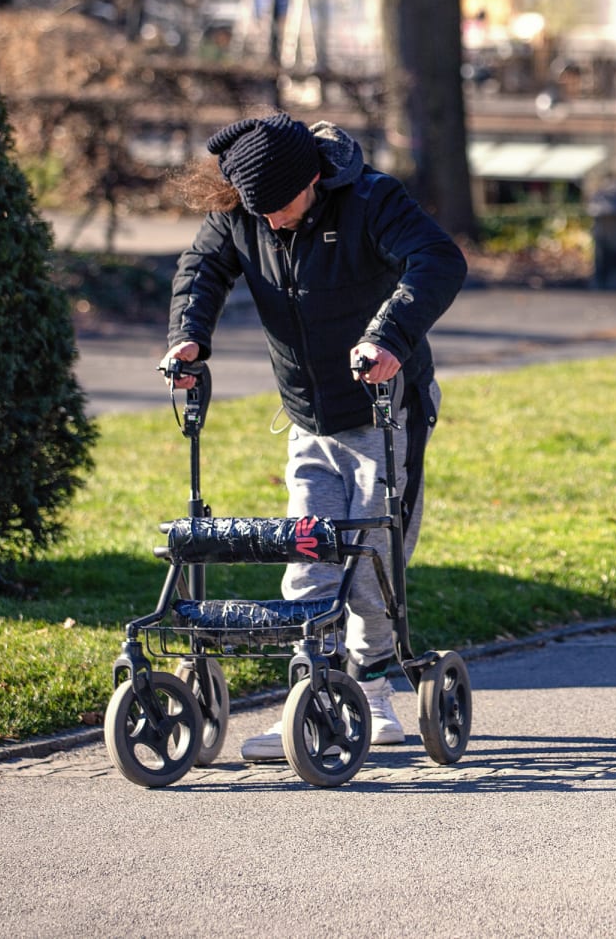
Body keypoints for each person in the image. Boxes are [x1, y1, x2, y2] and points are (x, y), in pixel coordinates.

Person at [162, 112, 468, 760]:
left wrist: (388, 335)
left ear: (313, 180)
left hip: (386, 411)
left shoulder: (370, 200)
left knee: (372, 561)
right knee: (309, 556)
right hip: (309, 419)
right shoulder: (245, 210)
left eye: (280, 206)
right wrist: (189, 335)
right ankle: (309, 695)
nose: (269, 220)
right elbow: (203, 269)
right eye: (257, 209)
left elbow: (438, 258)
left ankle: (375, 686)